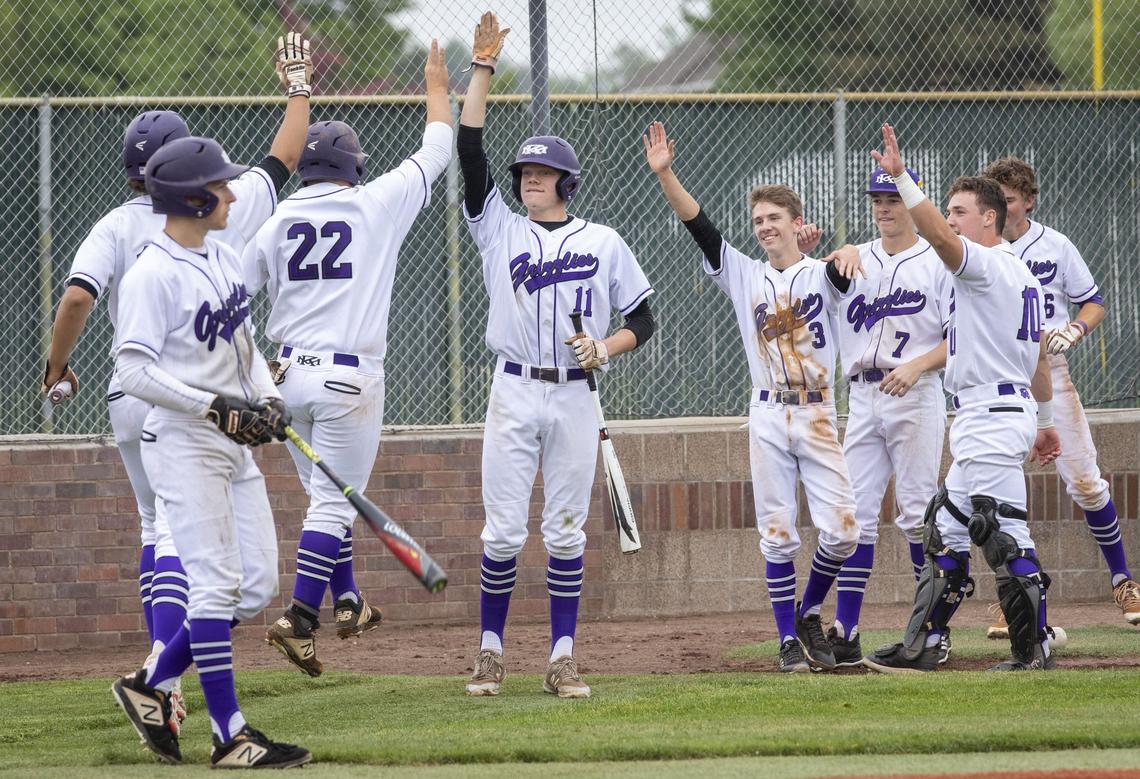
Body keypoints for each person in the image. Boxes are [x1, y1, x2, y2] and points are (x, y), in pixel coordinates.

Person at [42, 33, 311, 727]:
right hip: (173, 404)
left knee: (160, 528)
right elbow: (283, 158)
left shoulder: (142, 230)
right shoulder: (189, 242)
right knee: (203, 558)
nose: (227, 187)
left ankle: (161, 668)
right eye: (216, 177)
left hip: (149, 401)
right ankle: (206, 710)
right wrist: (298, 85)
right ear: (187, 184)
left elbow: (76, 297)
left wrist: (55, 363)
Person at [458, 12, 656, 699]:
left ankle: (562, 656)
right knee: (505, 529)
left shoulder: (603, 240)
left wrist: (604, 345)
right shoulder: (498, 230)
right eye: (527, 172)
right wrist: (481, 70)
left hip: (575, 392)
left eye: (543, 172)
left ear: (568, 183)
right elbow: (471, 150)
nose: (529, 179)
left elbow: (645, 320)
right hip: (513, 389)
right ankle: (489, 652)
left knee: (565, 530)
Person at [249, 41, 454, 676]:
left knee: (322, 494)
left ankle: (349, 601)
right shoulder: (375, 202)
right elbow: (439, 145)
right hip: (347, 377)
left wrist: (251, 375)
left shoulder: (279, 218)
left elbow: (233, 297)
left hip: (285, 376)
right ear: (353, 168)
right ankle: (299, 618)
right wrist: (436, 83)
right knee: (333, 503)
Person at [109, 135, 309, 768]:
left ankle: (150, 683)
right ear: (192, 197)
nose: (230, 193)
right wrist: (212, 405)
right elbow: (132, 372)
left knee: (255, 588)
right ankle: (231, 736)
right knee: (217, 588)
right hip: (185, 444)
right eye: (220, 185)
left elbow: (245, 349)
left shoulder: (222, 256)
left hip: (232, 444)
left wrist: (267, 396)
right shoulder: (152, 272)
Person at [643, 120, 863, 673]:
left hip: (816, 410)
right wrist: (666, 173)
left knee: (842, 530)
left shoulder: (821, 273)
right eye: (758, 220)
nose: (764, 227)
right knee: (778, 531)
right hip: (767, 411)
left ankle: (810, 609)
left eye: (774, 219)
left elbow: (843, 273)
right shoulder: (743, 275)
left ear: (797, 223)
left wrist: (850, 247)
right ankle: (788, 639)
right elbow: (698, 224)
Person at [861, 124, 1062, 674]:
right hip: (995, 411)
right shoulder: (1019, 273)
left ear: (989, 218)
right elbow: (1039, 359)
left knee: (1003, 532)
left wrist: (902, 179)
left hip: (992, 415)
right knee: (945, 529)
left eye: (959, 210)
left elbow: (941, 242)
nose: (950, 220)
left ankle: (1032, 649)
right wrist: (1044, 421)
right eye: (947, 209)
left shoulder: (987, 264)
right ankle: (923, 644)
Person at [982, 156, 1139, 629]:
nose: (1002, 207)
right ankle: (1016, 598)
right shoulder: (976, 249)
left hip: (1050, 367)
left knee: (1086, 482)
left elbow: (1094, 301)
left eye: (1010, 199)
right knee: (996, 491)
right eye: (996, 198)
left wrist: (1074, 329)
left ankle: (1123, 581)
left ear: (1028, 201)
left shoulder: (1054, 245)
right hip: (996, 374)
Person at [828, 168, 953, 667]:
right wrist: (833, 257)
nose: (883, 207)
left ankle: (930, 633)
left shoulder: (939, 262)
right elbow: (806, 286)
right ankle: (846, 630)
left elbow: (960, 335)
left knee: (920, 515)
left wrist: (919, 364)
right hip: (862, 397)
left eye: (893, 197)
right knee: (854, 518)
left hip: (917, 393)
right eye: (877, 198)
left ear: (911, 202)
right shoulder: (856, 257)